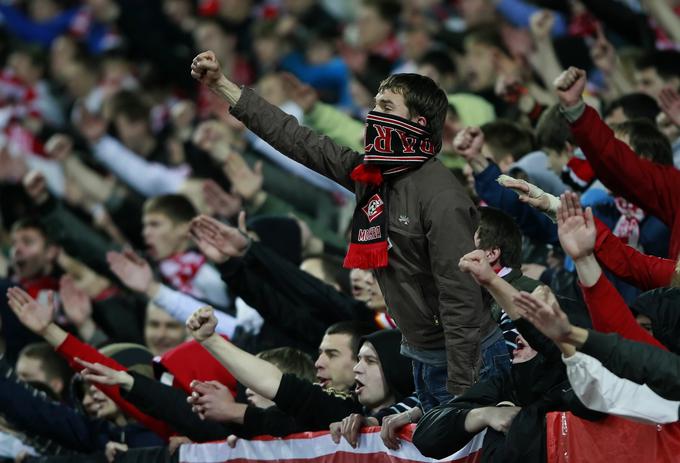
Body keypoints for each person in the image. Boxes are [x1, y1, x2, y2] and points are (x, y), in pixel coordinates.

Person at [190, 49, 490, 409]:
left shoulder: (441, 196)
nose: (373, 116)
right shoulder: (372, 176)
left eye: (386, 109)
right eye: (375, 105)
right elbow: (296, 140)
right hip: (418, 351)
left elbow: (462, 299)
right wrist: (222, 86)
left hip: (458, 359)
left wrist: (462, 393)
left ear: (419, 124)